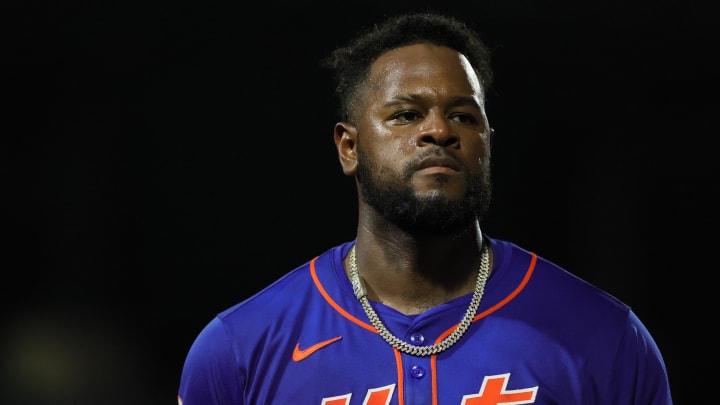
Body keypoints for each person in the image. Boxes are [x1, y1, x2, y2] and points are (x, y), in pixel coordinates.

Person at [177, 11, 673, 404]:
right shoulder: (239, 349)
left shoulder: (605, 337)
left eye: (462, 115)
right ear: (348, 148)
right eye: (406, 114)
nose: (440, 131)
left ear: (487, 143)